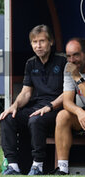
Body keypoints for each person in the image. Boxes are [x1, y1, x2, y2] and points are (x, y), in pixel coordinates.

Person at [0, 25, 67, 175]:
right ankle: (12, 166)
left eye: (42, 41)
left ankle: (37, 165)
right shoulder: (30, 63)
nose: (38, 45)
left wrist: (50, 106)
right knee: (8, 118)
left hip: (57, 109)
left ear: (51, 42)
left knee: (35, 120)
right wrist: (14, 106)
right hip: (37, 106)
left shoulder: (63, 61)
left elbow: (68, 93)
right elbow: (26, 93)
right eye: (34, 42)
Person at [51, 38, 85, 175]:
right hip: (82, 115)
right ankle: (62, 168)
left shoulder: (74, 72)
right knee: (63, 115)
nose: (72, 60)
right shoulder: (68, 67)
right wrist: (79, 111)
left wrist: (77, 77)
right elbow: (67, 101)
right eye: (68, 56)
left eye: (76, 55)